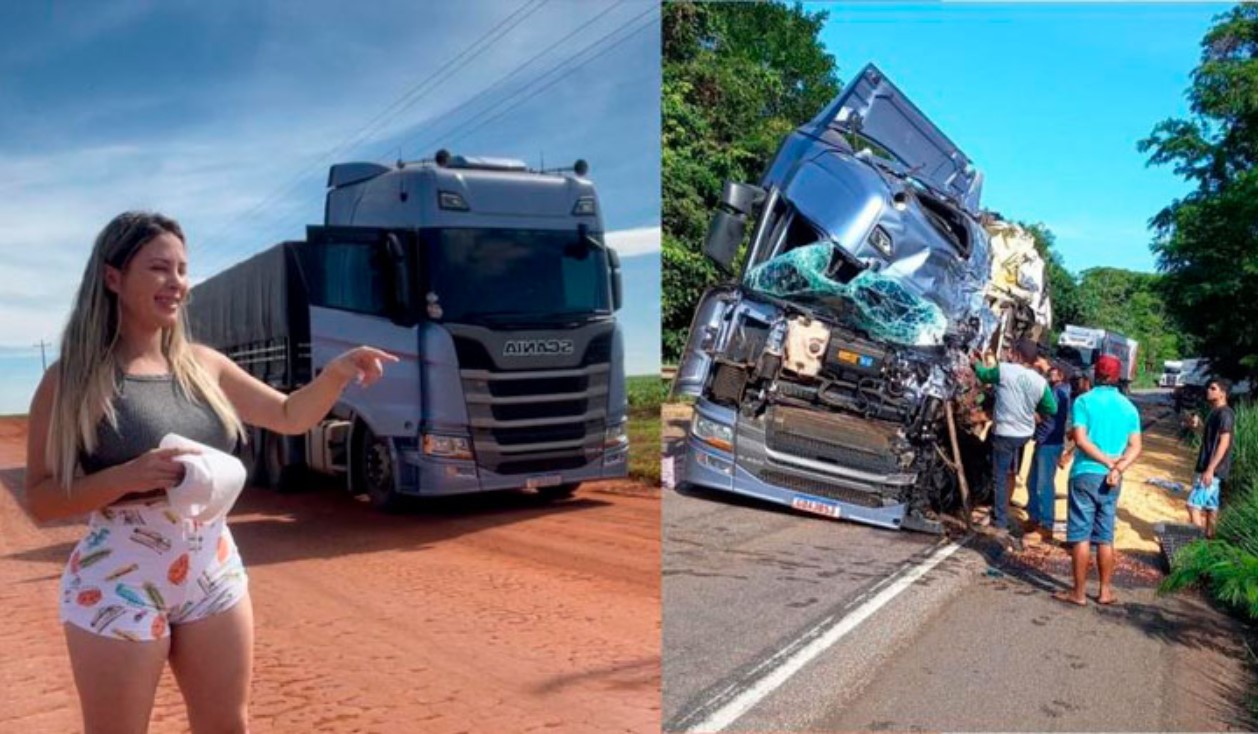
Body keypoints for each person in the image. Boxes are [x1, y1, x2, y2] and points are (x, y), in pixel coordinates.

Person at [23, 212, 398, 733]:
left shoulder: (204, 365)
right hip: (118, 577)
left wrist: (336, 375)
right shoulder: (71, 379)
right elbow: (41, 500)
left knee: (227, 725)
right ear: (113, 278)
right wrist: (127, 476)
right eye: (159, 268)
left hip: (211, 569)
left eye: (182, 269)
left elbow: (289, 416)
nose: (177, 282)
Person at [1054, 355, 1141, 607]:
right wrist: (1118, 466)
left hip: (1085, 473)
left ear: (1095, 375)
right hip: (1113, 479)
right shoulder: (1129, 408)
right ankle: (1104, 591)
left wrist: (1105, 462)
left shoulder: (1084, 401)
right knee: (1105, 536)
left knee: (1080, 534)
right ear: (1117, 378)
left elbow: (1080, 440)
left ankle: (1078, 593)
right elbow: (1136, 447)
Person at [973, 338, 1058, 533]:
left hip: (1004, 432)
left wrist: (975, 361)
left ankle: (1000, 520)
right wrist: (1037, 415)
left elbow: (984, 375)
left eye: (1011, 352)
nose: (1009, 355)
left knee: (999, 476)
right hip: (1024, 435)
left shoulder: (1005, 370)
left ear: (1018, 355)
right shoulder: (1039, 381)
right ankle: (1001, 511)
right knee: (1011, 470)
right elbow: (1051, 407)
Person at [1026, 362, 1072, 542]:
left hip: (1050, 443)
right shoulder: (1059, 390)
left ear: (1062, 374)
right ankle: (1035, 517)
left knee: (1044, 484)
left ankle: (1046, 524)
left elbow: (1047, 411)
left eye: (1055, 370)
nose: (1051, 372)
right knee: (1033, 481)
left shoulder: (1060, 392)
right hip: (1043, 440)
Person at [1187, 378, 1235, 539]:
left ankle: (1197, 548)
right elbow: (1209, 438)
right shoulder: (1214, 412)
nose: (1209, 390)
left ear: (1223, 393)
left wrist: (1210, 469)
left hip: (1212, 470)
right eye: (1209, 387)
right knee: (1211, 507)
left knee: (1193, 505)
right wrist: (1198, 426)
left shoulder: (1225, 413)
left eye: (1213, 388)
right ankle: (1210, 541)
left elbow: (1224, 443)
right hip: (1211, 469)